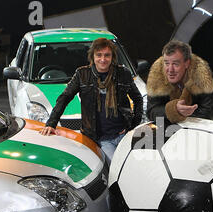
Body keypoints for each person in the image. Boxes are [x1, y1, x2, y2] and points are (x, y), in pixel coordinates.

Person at [40, 38, 143, 166]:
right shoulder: (82, 74)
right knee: (118, 167)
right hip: (102, 139)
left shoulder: (123, 73)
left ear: (112, 57)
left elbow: (138, 98)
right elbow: (65, 97)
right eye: (99, 55)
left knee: (138, 164)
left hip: (124, 134)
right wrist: (51, 123)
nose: (103, 59)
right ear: (92, 56)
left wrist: (132, 124)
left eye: (107, 55)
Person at [146, 40, 213, 123]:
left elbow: (207, 112)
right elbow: (151, 111)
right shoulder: (157, 76)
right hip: (164, 130)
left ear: (187, 63)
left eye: (175, 64)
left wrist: (182, 115)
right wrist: (174, 110)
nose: (170, 70)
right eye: (167, 63)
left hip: (196, 129)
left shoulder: (202, 76)